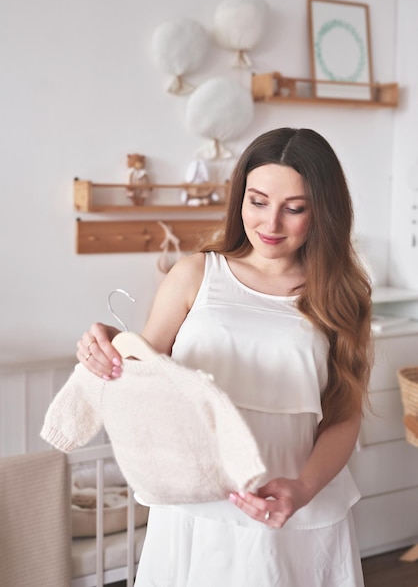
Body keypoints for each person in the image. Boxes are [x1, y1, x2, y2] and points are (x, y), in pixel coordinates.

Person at [77, 127, 373, 586]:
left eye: (294, 209)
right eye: (257, 202)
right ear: (240, 199)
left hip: (294, 503)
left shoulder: (341, 297)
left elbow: (344, 415)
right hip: (198, 503)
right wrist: (111, 343)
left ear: (324, 213)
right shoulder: (197, 274)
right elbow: (144, 368)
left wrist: (303, 488)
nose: (270, 224)